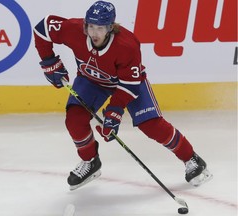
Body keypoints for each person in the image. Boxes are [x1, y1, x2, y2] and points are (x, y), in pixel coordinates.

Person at [33, 1, 212, 190]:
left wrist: (114, 113)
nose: (93, 32)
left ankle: (191, 158)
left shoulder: (127, 45)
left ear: (110, 27)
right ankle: (90, 162)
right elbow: (43, 27)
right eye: (90, 26)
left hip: (127, 84)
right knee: (74, 119)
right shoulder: (75, 29)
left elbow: (130, 84)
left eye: (100, 28)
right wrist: (49, 62)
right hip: (91, 80)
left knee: (151, 125)